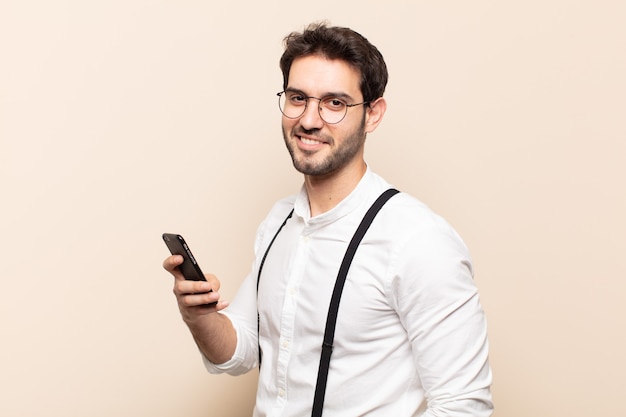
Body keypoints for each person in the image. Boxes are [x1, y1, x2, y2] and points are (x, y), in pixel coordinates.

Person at [163, 22, 493, 417]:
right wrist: (199, 317)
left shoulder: (418, 241)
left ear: (373, 114)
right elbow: (241, 351)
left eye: (335, 103)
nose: (309, 120)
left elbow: (463, 406)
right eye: (298, 97)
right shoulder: (278, 221)